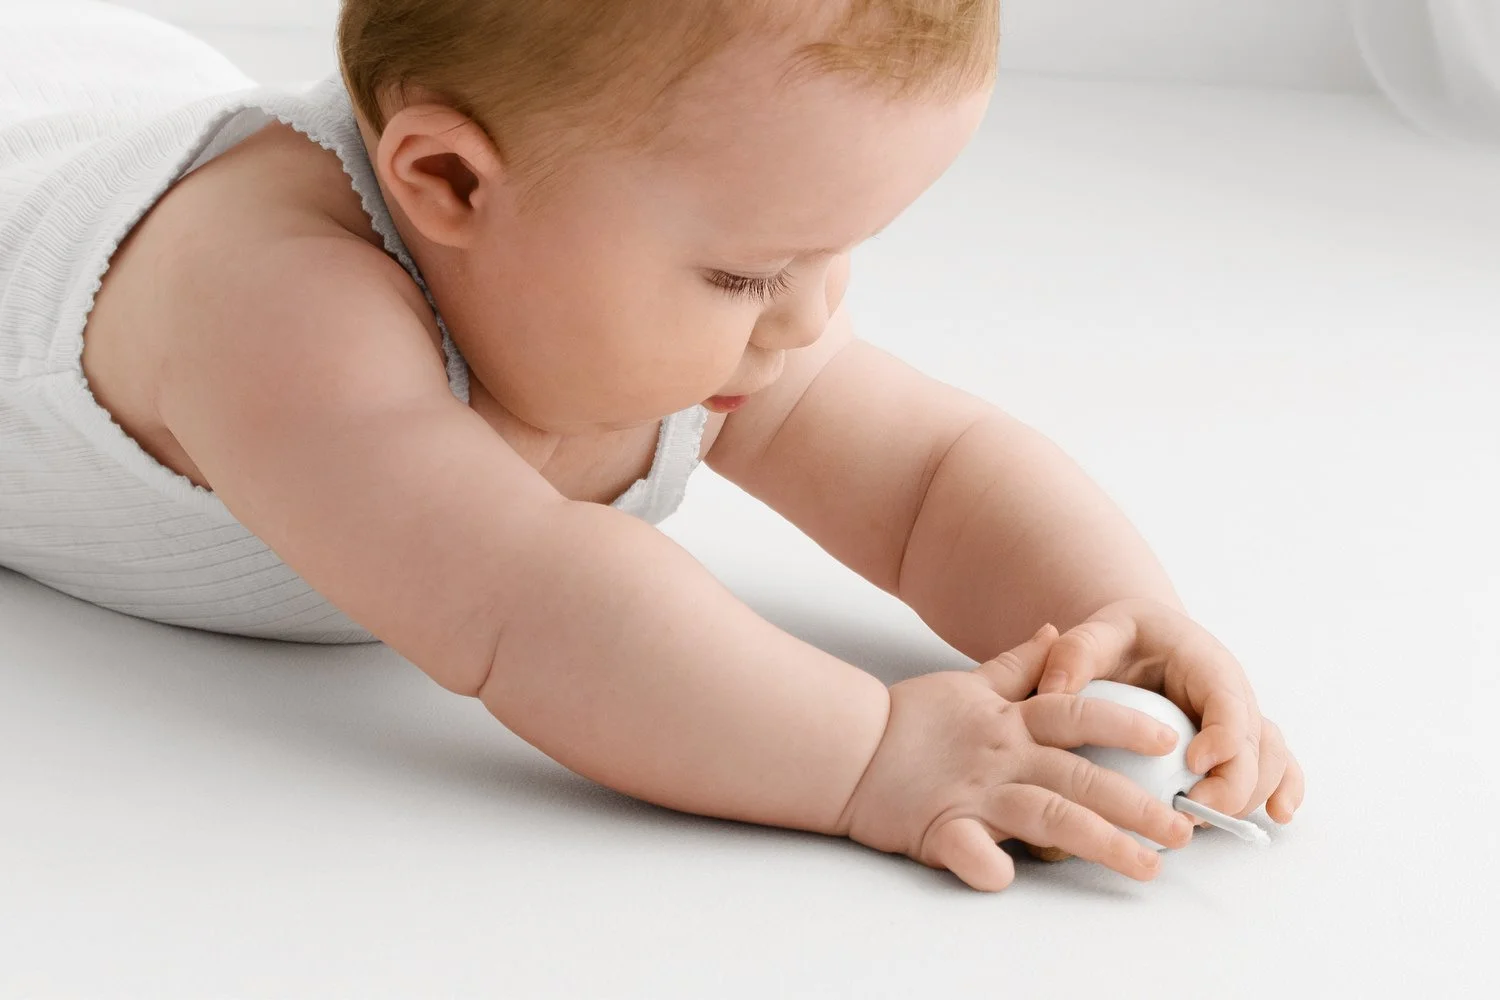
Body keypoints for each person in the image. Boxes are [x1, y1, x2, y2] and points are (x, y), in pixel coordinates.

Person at [0, 0, 1302, 892]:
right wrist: (871, 753)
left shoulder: (604, 252)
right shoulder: (272, 309)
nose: (811, 316)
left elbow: (927, 473)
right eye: (750, 272)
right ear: (446, 185)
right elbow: (529, 603)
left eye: (842, 248)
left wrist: (1113, 611)